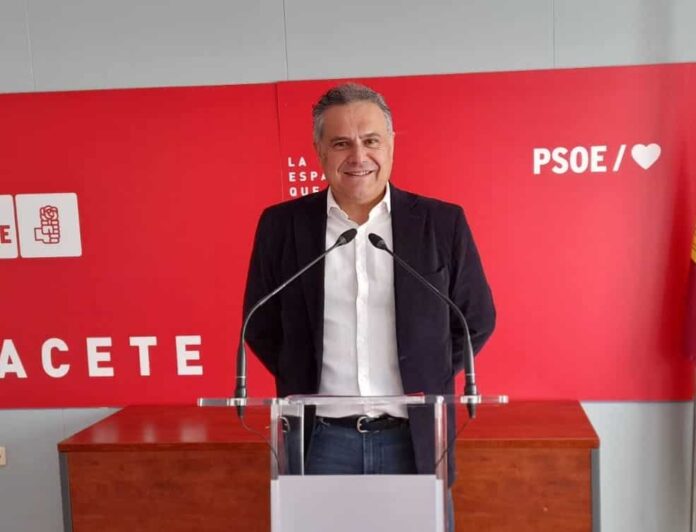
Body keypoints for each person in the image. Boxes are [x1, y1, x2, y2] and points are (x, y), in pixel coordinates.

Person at [243, 83, 496, 530]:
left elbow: (474, 319)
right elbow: (260, 324)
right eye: (341, 143)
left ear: (391, 144)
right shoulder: (282, 226)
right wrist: (301, 371)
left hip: (414, 439)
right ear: (320, 151)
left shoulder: (441, 223)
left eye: (371, 140)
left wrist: (429, 370)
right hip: (319, 443)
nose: (358, 156)